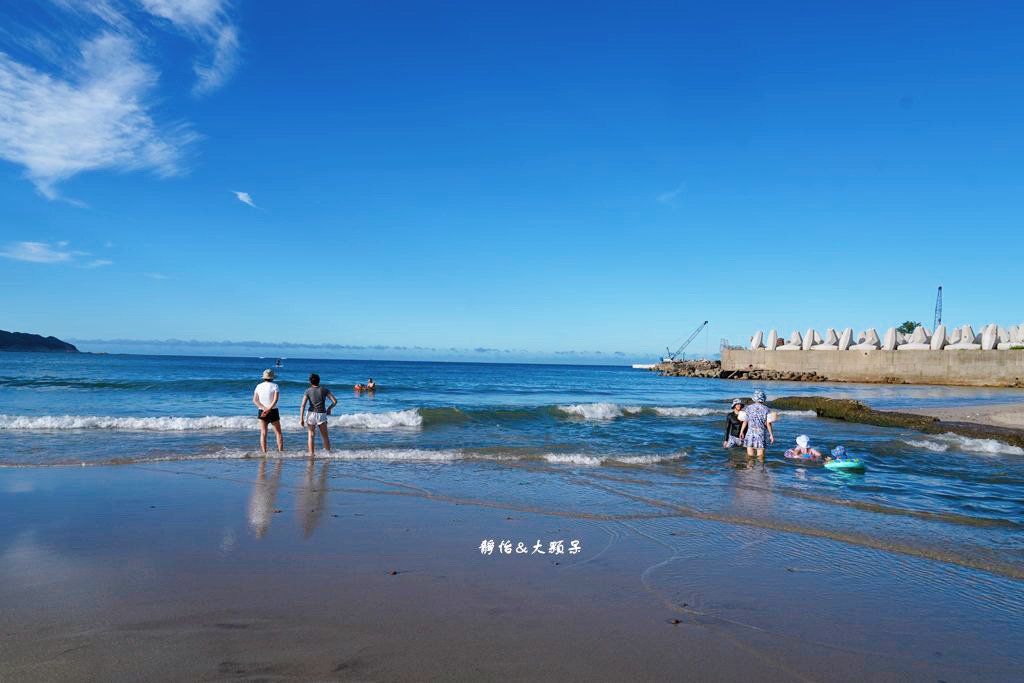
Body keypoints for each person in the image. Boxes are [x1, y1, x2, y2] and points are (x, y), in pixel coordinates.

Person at [300, 373, 337, 455]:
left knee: (311, 436)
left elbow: (303, 405)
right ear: (319, 381)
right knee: (325, 436)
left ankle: (311, 454)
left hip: (311, 414)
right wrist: (329, 408)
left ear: (310, 382)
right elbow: (335, 401)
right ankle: (328, 454)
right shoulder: (324, 390)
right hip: (321, 414)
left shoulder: (308, 391)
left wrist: (301, 418)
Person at [252, 369, 283, 453]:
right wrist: (269, 408)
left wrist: (264, 408)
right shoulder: (275, 386)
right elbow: (275, 400)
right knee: (278, 433)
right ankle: (280, 452)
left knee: (263, 433)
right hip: (273, 410)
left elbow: (255, 400)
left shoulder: (258, 386)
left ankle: (264, 452)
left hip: (262, 411)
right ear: (272, 377)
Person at [738, 389, 774, 460]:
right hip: (761, 433)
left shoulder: (748, 408)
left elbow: (745, 421)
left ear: (754, 398)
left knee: (749, 456)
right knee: (760, 457)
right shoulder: (766, 409)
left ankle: (750, 469)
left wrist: (741, 432)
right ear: (763, 398)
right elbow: (768, 423)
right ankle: (760, 469)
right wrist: (771, 435)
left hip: (750, 433)